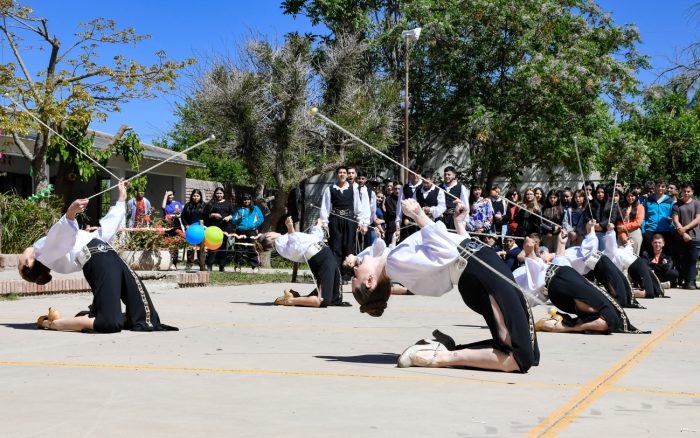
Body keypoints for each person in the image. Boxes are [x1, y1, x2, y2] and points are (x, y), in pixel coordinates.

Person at [351, 198, 540, 373]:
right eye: (355, 275)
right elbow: (447, 252)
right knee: (519, 357)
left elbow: (454, 250)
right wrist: (419, 215)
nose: (355, 268)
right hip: (478, 272)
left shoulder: (394, 261)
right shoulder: (396, 263)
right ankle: (438, 356)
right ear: (370, 281)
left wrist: (459, 225)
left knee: (530, 353)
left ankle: (443, 349)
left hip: (478, 263)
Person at [20, 180, 177, 333]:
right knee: (109, 323)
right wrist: (70, 213)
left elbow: (103, 233)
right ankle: (53, 324)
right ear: (29, 262)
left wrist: (121, 199)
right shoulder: (45, 254)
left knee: (145, 317)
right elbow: (59, 238)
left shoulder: (46, 253)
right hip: (100, 261)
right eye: (19, 264)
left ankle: (94, 315)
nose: (20, 257)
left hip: (110, 255)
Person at [515, 230, 646, 334]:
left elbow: (538, 281)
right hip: (558, 278)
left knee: (607, 318)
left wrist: (567, 328)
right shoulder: (533, 268)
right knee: (608, 317)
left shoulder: (537, 268)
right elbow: (544, 272)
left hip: (555, 280)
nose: (541, 254)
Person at [260, 217, 348, 307]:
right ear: (269, 235)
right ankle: (289, 300)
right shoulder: (279, 242)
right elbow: (295, 248)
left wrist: (318, 226)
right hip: (321, 258)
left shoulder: (284, 238)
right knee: (323, 300)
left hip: (325, 255)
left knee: (334, 297)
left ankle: (294, 297)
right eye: (271, 231)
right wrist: (290, 228)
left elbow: (313, 238)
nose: (274, 231)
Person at [320, 166, 369, 271]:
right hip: (335, 220)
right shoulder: (330, 189)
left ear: (347, 175)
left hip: (349, 220)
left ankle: (347, 273)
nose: (342, 174)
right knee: (336, 246)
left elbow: (357, 206)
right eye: (340, 172)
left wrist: (360, 221)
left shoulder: (354, 189)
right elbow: (325, 207)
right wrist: (325, 222)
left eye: (344, 172)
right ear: (337, 175)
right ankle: (336, 273)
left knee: (348, 246)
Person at [672, 183, 700, 289]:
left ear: (692, 192)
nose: (686, 193)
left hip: (694, 236)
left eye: (689, 191)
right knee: (683, 260)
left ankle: (691, 281)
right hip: (680, 237)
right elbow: (675, 220)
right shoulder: (676, 205)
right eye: (684, 191)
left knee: (693, 259)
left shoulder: (697, 203)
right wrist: (683, 233)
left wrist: (685, 228)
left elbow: (697, 219)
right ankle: (684, 280)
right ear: (681, 192)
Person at [641, 178, 675, 256]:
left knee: (665, 254)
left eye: (663, 186)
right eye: (658, 186)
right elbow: (643, 216)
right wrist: (643, 230)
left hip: (665, 230)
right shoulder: (648, 200)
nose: (660, 188)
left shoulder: (670, 201)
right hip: (650, 230)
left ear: (666, 188)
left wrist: (671, 227)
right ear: (655, 187)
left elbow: (673, 217)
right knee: (648, 253)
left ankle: (662, 267)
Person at [204, 187, 235, 272]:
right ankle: (209, 265)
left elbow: (233, 214)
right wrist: (213, 214)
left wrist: (228, 217)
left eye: (220, 193)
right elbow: (206, 215)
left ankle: (222, 266)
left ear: (223, 194)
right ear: (215, 194)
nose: (219, 195)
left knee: (223, 246)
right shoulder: (211, 203)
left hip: (225, 227)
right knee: (212, 246)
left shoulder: (228, 204)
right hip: (214, 227)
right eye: (217, 193)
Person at [232, 193, 265, 271]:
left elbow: (261, 218)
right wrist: (238, 218)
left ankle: (255, 266)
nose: (246, 201)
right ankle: (238, 266)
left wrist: (254, 225)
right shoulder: (239, 209)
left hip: (251, 231)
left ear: (250, 200)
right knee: (239, 248)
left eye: (248, 199)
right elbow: (233, 220)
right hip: (240, 230)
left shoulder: (255, 208)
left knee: (251, 248)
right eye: (244, 199)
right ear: (242, 200)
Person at [182, 189, 206, 271]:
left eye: (197, 196)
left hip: (200, 230)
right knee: (190, 248)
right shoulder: (187, 205)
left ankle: (202, 265)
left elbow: (207, 217)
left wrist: (204, 225)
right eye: (194, 196)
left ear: (200, 197)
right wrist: (186, 225)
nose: (196, 197)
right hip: (190, 230)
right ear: (192, 196)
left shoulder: (204, 205)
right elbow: (183, 217)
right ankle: (189, 264)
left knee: (202, 248)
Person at [395, 167, 422, 241]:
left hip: (420, 218)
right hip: (407, 220)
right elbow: (399, 206)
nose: (415, 176)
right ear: (409, 174)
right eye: (413, 174)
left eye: (417, 174)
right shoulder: (404, 188)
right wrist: (398, 222)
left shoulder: (424, 186)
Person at [438, 166, 468, 231]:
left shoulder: (461, 187)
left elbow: (466, 206)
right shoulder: (439, 187)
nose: (446, 176)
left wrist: (464, 222)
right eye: (445, 174)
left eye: (449, 174)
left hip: (454, 218)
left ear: (454, 176)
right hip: (441, 218)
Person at [162, 190, 184, 270]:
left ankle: (174, 264)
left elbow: (181, 214)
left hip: (176, 226)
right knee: (167, 244)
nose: (170, 197)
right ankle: (167, 263)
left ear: (174, 195)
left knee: (175, 245)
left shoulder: (177, 203)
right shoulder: (165, 204)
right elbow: (163, 207)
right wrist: (165, 195)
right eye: (168, 195)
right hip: (167, 226)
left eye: (171, 195)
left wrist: (174, 215)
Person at [355, 170, 376, 252]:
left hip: (366, 223)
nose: (361, 180)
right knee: (356, 245)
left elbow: (372, 209)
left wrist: (366, 223)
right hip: (355, 221)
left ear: (366, 180)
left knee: (366, 245)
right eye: (359, 178)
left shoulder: (371, 193)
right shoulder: (353, 190)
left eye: (363, 178)